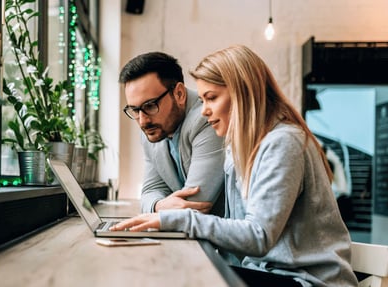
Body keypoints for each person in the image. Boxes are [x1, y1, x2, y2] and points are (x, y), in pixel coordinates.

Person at [112, 45, 358, 287]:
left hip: (306, 280)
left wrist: (172, 219)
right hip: (269, 272)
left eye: (211, 98)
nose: (204, 111)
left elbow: (258, 236)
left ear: (243, 93)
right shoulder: (240, 147)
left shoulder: (283, 142)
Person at [119, 52, 225, 215]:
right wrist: (158, 205)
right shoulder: (154, 129)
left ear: (179, 94)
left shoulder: (208, 119)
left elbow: (195, 204)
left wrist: (158, 206)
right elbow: (150, 191)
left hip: (221, 236)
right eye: (134, 110)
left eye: (150, 105)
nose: (142, 121)